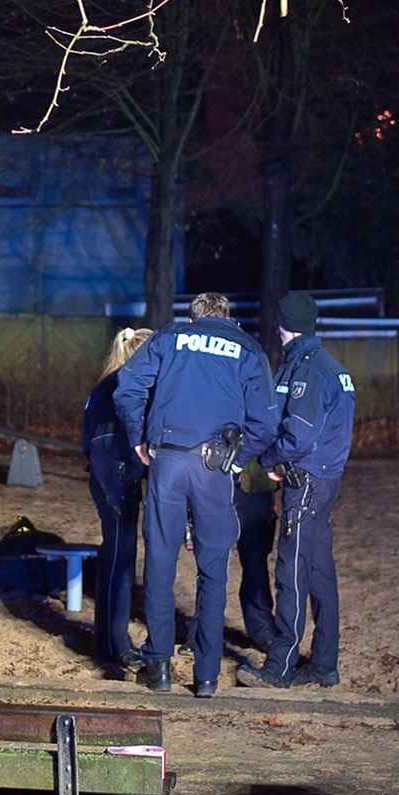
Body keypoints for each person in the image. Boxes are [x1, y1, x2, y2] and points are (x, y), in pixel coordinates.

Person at [114, 292, 278, 698]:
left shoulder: (170, 337)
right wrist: (237, 461)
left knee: (160, 565)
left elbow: (127, 388)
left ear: (193, 317)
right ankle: (206, 675)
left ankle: (159, 667)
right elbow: (266, 419)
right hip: (214, 470)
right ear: (226, 317)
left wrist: (139, 439)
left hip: (167, 462)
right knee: (213, 570)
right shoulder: (247, 349)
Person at [238, 291, 356, 689]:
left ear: (282, 325)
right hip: (325, 483)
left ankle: (280, 666)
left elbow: (298, 435)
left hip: (304, 483)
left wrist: (270, 462)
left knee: (290, 572)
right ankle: (324, 662)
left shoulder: (306, 371)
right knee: (321, 573)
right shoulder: (330, 366)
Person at [82, 326, 153, 673]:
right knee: (120, 557)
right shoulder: (122, 389)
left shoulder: (105, 386)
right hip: (115, 478)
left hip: (109, 477)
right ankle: (114, 643)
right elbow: (107, 441)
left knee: (118, 553)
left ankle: (107, 640)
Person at [179, 459, 279, 655]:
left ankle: (263, 630)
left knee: (256, 563)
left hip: (256, 483)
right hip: (215, 480)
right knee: (211, 563)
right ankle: (201, 630)